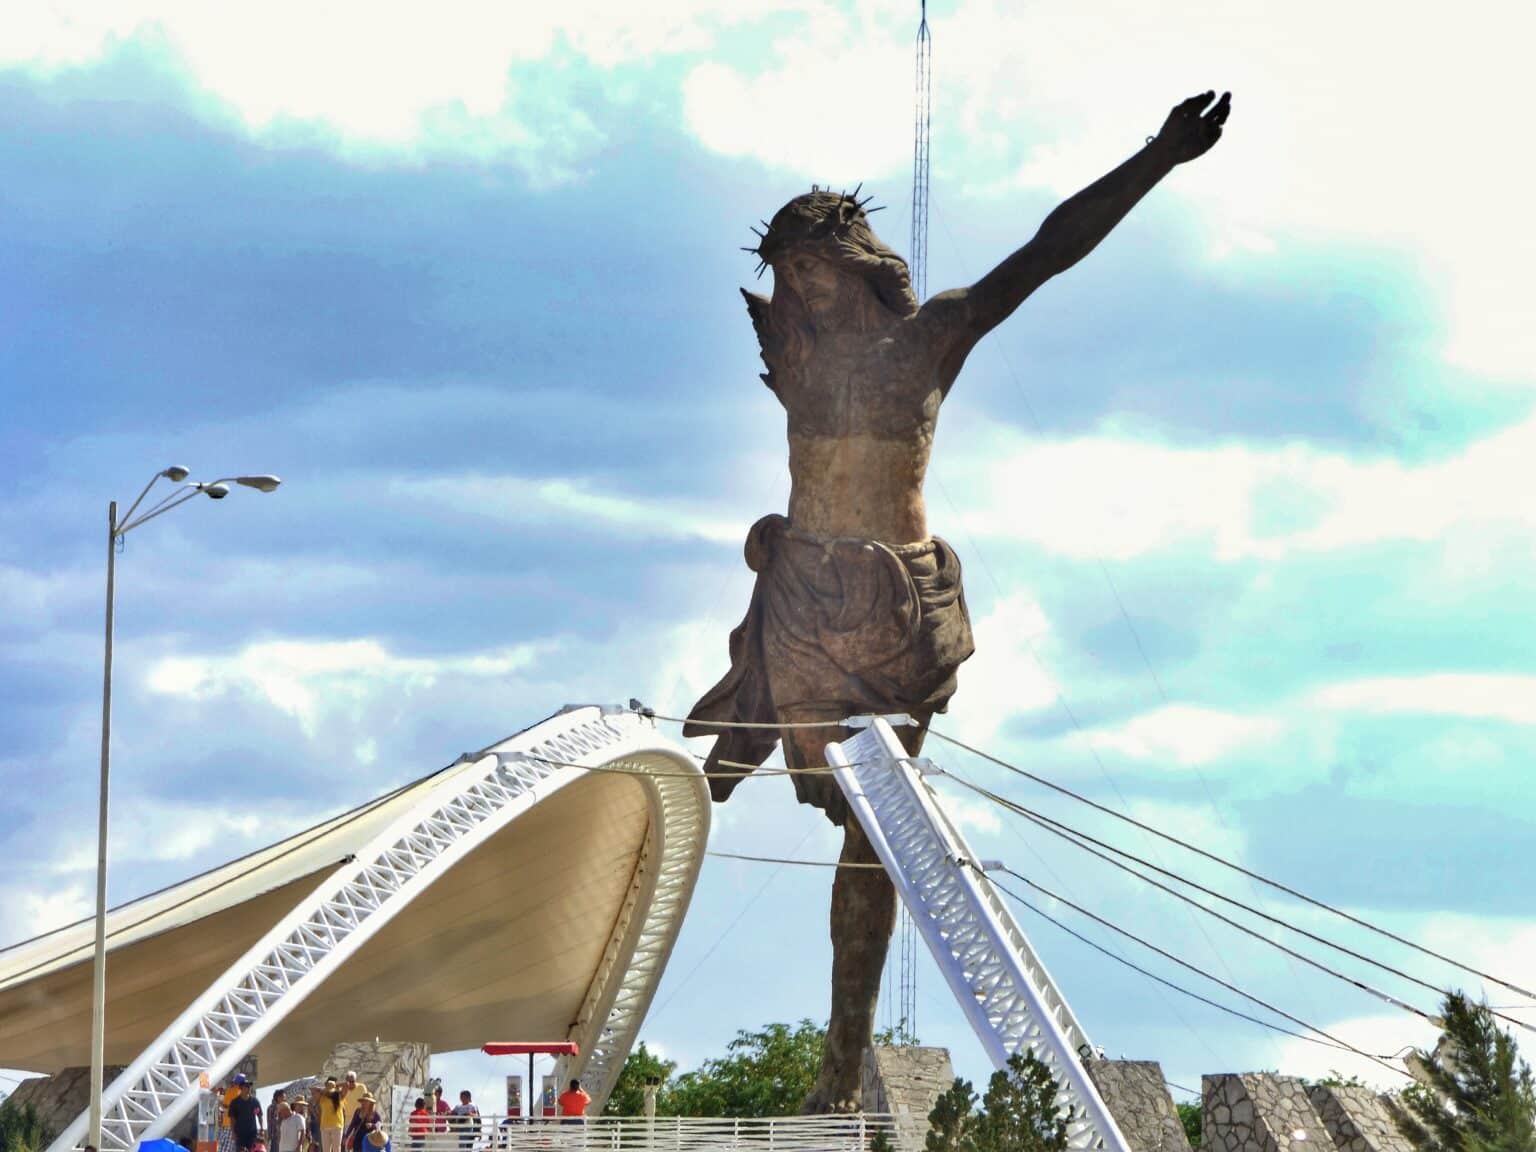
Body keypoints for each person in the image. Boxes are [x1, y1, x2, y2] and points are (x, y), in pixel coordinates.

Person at [685, 91, 1233, 1111]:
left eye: (814, 269)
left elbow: (1044, 253)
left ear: (855, 261)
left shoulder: (930, 340)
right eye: (789, 276)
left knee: (872, 833)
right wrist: (772, 532)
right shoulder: (798, 366)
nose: (802, 290)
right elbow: (813, 474)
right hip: (804, 602)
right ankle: (834, 1063)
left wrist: (1156, 156)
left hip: (898, 613)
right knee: (776, 797)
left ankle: (839, 1072)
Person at [227, 1079, 265, 1152]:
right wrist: (233, 1132)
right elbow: (232, 1119)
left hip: (252, 1134)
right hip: (239, 1134)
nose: (248, 1088)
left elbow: (259, 1115)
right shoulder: (235, 1102)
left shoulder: (255, 1101)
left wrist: (262, 1129)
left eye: (249, 1086)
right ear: (241, 1088)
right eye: (246, 1086)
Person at [313, 1078, 347, 1152]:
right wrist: (324, 1089)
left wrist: (334, 1085)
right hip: (324, 1126)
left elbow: (346, 1084)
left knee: (336, 1149)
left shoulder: (339, 1096)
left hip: (337, 1125)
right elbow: (314, 1091)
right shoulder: (322, 1097)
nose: (330, 1092)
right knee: (326, 1150)